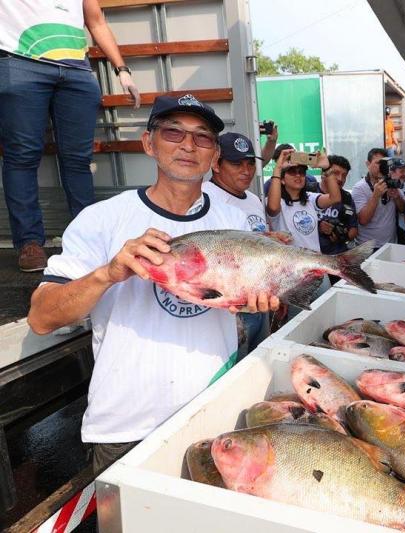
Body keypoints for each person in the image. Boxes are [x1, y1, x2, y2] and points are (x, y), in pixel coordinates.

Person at [26, 94, 280, 473]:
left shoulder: (233, 222)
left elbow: (231, 301)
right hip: (126, 427)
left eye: (203, 137)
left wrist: (253, 300)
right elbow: (41, 318)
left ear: (213, 156)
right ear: (149, 143)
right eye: (173, 132)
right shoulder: (102, 219)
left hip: (213, 414)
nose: (188, 145)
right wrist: (107, 274)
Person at [0, 0, 141, 272]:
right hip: (20, 62)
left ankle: (89, 237)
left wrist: (122, 69)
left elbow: (96, 21)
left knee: (78, 160)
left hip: (77, 70)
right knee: (22, 156)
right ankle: (30, 243)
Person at [202, 132, 269, 357]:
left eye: (250, 163)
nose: (246, 170)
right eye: (236, 163)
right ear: (216, 164)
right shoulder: (204, 198)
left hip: (259, 301)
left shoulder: (253, 199)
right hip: (230, 311)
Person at [266, 148, 339, 253]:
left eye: (302, 172)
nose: (298, 175)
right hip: (289, 265)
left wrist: (327, 168)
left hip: (314, 262)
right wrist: (277, 168)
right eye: (292, 171)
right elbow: (273, 208)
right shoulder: (276, 201)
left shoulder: (310, 198)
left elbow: (335, 198)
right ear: (282, 179)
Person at [351, 148, 405, 250]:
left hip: (391, 245)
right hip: (367, 247)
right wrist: (375, 196)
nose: (381, 167)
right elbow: (363, 220)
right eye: (377, 163)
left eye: (384, 163)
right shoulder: (359, 187)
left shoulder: (391, 182)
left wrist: (397, 197)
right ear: (368, 164)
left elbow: (403, 210)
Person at [317, 154, 358, 257]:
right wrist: (318, 226)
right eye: (336, 173)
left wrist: (342, 236)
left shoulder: (347, 197)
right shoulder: (309, 192)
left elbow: (354, 229)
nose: (340, 179)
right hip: (311, 256)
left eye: (344, 175)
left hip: (337, 256)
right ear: (323, 173)